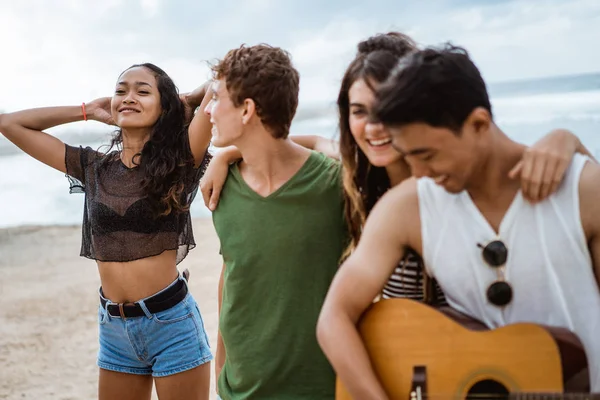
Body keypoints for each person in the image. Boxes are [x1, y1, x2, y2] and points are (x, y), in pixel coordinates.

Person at [201, 32, 594, 305]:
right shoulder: (361, 181)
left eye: (386, 110)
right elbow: (317, 144)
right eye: (358, 111)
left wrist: (565, 138)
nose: (374, 126)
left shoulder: (455, 181)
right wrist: (229, 154)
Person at [316, 44, 600, 398]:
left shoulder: (583, 190)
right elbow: (334, 316)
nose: (417, 173)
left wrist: (569, 138)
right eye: (408, 156)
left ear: (479, 124)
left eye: (426, 155)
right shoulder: (407, 207)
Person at [0, 63, 214, 400]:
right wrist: (87, 111)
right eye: (120, 90)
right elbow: (9, 123)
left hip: (171, 325)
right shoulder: (93, 167)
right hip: (114, 329)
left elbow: (221, 87)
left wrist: (188, 100)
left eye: (143, 92)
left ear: (164, 106)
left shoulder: (181, 160)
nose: (128, 97)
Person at [200, 44, 347, 400]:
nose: (207, 109)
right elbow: (233, 273)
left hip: (320, 387)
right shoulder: (224, 186)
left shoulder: (334, 183)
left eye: (216, 97)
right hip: (240, 388)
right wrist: (221, 367)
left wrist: (326, 144)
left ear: (247, 109)